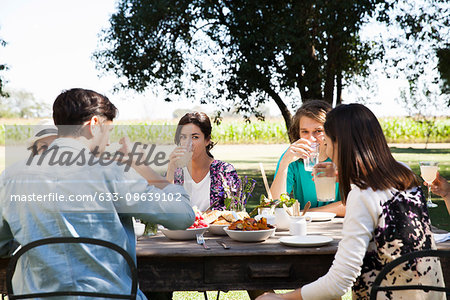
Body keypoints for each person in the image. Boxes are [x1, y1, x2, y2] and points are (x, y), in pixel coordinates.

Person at [0, 88, 195, 299]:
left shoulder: (11, 176)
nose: (109, 142)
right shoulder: (112, 172)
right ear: (94, 125)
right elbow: (183, 215)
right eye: (108, 131)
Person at [258, 104, 444, 300]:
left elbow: (339, 282)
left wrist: (280, 298)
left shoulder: (363, 194)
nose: (326, 151)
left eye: (327, 144)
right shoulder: (404, 173)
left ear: (342, 145)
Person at [270, 100, 345, 216]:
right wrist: (284, 163)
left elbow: (352, 205)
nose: (311, 139)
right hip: (304, 227)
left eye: (318, 131)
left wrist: (305, 213)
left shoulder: (342, 157)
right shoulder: (291, 158)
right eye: (305, 132)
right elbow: (275, 204)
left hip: (339, 227)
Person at [166, 112, 240, 211]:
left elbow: (237, 211)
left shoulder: (224, 171)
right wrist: (171, 170)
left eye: (195, 137)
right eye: (183, 137)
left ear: (207, 140)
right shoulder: (178, 172)